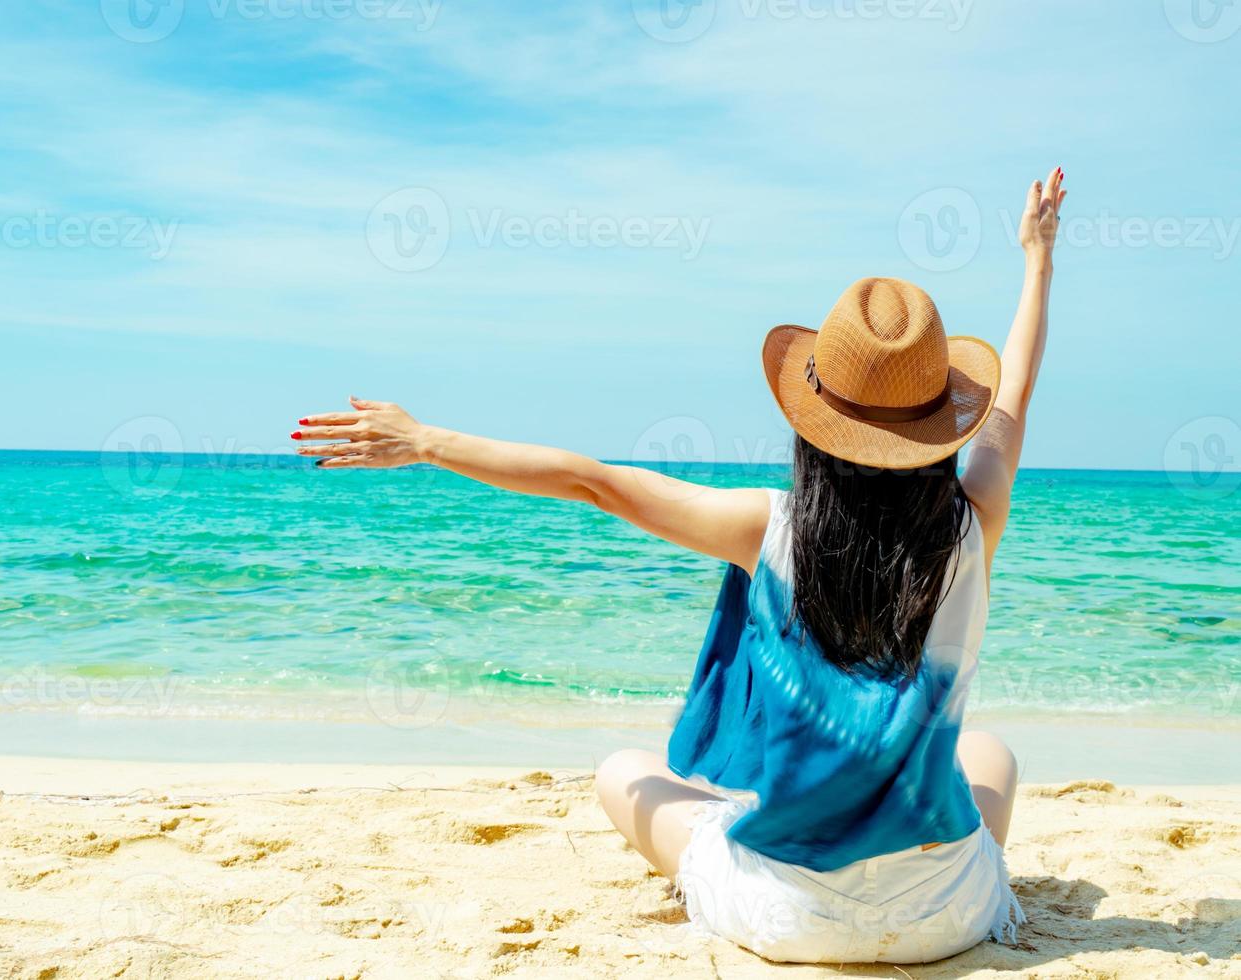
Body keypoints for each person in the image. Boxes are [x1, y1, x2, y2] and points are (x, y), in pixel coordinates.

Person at [292, 168, 1066, 963]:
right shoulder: (974, 522)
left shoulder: (766, 529)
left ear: (815, 423)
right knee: (990, 754)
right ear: (939, 427)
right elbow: (1013, 401)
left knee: (619, 772)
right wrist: (1037, 261)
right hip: (947, 922)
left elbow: (592, 482)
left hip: (785, 918)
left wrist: (424, 441)